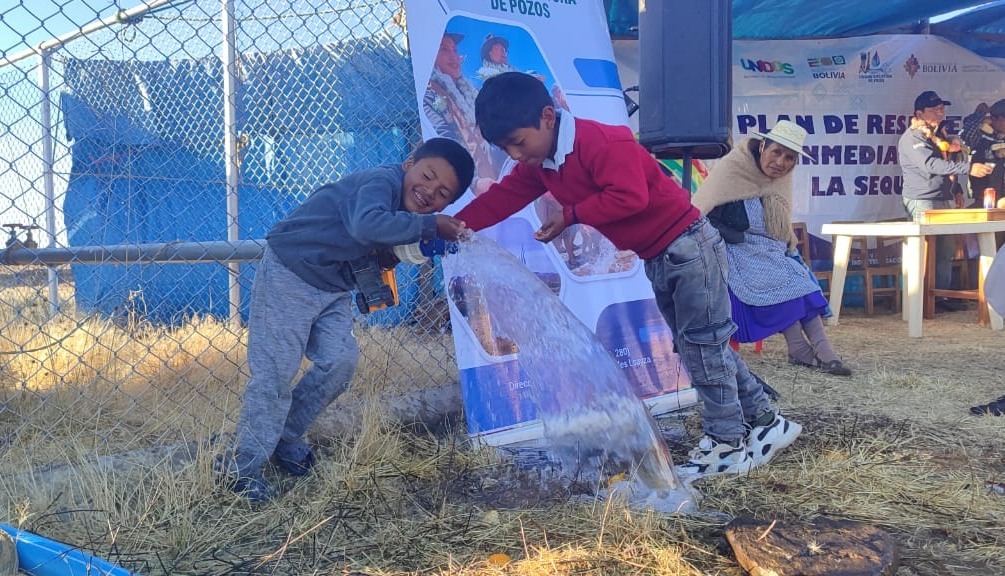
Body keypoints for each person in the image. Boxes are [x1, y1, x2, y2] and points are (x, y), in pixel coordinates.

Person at [452, 72, 801, 477]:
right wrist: (455, 225)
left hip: (688, 246)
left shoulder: (602, 142)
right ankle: (765, 422)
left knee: (703, 345)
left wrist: (572, 215)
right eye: (505, 147)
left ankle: (726, 445)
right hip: (662, 253)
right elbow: (504, 196)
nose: (514, 155)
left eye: (518, 142)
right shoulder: (543, 162)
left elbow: (629, 196)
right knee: (699, 345)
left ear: (548, 117)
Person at [216, 138, 474, 502]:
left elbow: (377, 246)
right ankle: (241, 469)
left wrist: (407, 249)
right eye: (427, 176)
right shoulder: (380, 183)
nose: (429, 191)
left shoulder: (409, 212)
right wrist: (430, 226)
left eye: (442, 193)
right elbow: (366, 225)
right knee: (275, 373)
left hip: (333, 286)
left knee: (340, 361)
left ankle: (286, 436)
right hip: (292, 272)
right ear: (409, 163)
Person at [691, 121, 851, 377]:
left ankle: (821, 349)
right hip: (734, 250)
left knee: (801, 279)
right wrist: (735, 237)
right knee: (783, 279)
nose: (781, 162)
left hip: (769, 248)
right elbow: (702, 213)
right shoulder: (733, 170)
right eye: (776, 152)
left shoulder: (780, 181)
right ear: (762, 146)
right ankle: (801, 349)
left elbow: (781, 228)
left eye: (789, 157)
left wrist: (783, 249)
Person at [899, 91, 993, 312]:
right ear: (919, 113)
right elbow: (931, 165)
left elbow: (946, 164)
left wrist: (957, 188)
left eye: (941, 109)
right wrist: (968, 168)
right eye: (933, 110)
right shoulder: (912, 137)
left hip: (943, 198)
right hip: (922, 200)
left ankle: (939, 297)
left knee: (945, 251)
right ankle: (918, 301)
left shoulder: (940, 136)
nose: (939, 113)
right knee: (923, 253)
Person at [423, 32, 497, 179]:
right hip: (467, 176)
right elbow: (443, 140)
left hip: (495, 165)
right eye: (444, 49)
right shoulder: (429, 95)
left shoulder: (471, 91)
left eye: (455, 50)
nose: (453, 57)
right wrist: (474, 183)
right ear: (430, 56)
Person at [966, 99, 1005, 207]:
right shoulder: (981, 135)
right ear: (995, 119)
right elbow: (966, 134)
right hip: (984, 198)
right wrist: (980, 114)